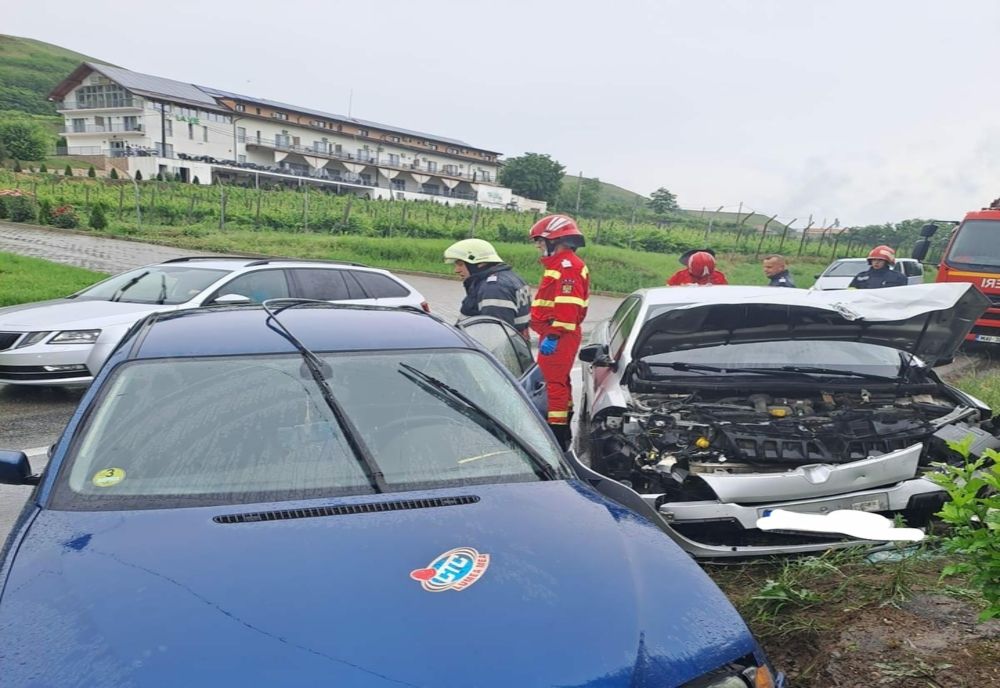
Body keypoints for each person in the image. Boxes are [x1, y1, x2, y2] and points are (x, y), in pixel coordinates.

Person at [528, 214, 590, 450]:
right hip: (555, 333)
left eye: (541, 241)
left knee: (554, 384)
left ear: (555, 240)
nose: (538, 246)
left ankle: (556, 434)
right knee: (560, 382)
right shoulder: (561, 265)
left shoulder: (568, 266)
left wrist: (553, 335)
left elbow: (567, 308)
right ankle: (562, 423)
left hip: (558, 335)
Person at [443, 238, 531, 337]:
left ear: (480, 264)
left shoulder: (494, 288)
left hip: (486, 350)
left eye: (460, 264)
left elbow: (495, 335)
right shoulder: (511, 277)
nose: (456, 270)